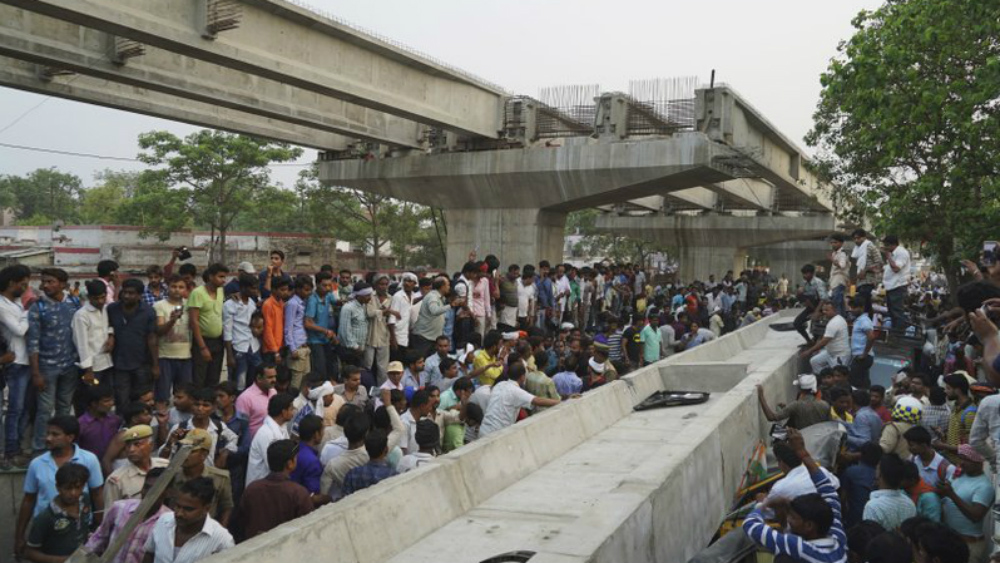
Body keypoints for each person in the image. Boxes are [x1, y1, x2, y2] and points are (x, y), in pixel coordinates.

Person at [743, 428, 846, 562]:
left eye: (793, 517)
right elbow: (827, 489)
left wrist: (763, 504)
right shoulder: (838, 535)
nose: (789, 521)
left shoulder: (799, 548)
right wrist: (803, 453)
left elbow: (750, 525)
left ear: (809, 525)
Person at [16, 415, 104, 560]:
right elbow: (28, 500)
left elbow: (97, 494)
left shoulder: (89, 459)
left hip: (79, 528)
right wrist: (19, 537)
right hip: (47, 532)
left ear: (70, 437)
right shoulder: (37, 464)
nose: (48, 438)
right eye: (48, 433)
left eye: (55, 434)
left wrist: (99, 528)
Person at [27, 268, 81, 456]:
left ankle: (62, 446)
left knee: (65, 409)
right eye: (44, 282)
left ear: (63, 284)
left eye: (51, 282)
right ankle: (40, 449)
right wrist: (36, 373)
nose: (46, 285)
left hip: (70, 366)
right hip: (46, 368)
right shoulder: (38, 307)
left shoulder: (74, 303)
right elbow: (32, 342)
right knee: (44, 410)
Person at [84, 467, 171, 563]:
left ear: (168, 493)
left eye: (155, 490)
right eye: (146, 487)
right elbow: (99, 537)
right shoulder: (120, 508)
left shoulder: (168, 521)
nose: (148, 493)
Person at [142, 477, 234, 563]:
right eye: (178, 506)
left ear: (206, 508)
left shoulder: (222, 540)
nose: (179, 513)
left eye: (188, 509)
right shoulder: (163, 521)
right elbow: (149, 554)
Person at [238, 439, 314, 540]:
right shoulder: (298, 493)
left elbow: (240, 523)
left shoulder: (252, 488)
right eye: (295, 458)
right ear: (290, 463)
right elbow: (308, 530)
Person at [107, 279, 159, 410]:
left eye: (131, 293)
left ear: (140, 295)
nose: (126, 296)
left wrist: (155, 365)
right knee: (121, 400)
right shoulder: (112, 309)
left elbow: (152, 338)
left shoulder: (148, 312)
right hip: (119, 363)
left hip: (141, 363)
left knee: (141, 401)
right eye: (124, 292)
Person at [24, 462, 92, 563]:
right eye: (68, 488)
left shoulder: (85, 500)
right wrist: (64, 560)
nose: (73, 493)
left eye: (77, 487)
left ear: (83, 486)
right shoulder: (45, 517)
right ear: (58, 488)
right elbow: (29, 552)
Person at [0, 265, 33, 467]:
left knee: (24, 409)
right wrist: (31, 312)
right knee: (15, 409)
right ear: (12, 283)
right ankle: (11, 451)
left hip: (26, 360)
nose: (26, 287)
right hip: (16, 363)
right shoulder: (2, 306)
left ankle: (18, 448)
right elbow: (20, 330)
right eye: (23, 283)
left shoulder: (17, 304)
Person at [938, 444, 994, 563]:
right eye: (960, 458)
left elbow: (975, 516)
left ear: (978, 462)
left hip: (969, 544)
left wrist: (951, 494)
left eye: (966, 459)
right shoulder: (959, 475)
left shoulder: (984, 486)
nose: (961, 463)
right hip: (952, 541)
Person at [168, 429, 233, 528]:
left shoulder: (220, 478)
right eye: (183, 449)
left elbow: (227, 507)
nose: (186, 455)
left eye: (192, 451)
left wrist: (220, 530)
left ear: (204, 455)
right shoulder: (172, 475)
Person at [479, 363, 562, 437]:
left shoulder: (499, 385)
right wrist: (560, 402)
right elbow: (537, 400)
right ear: (522, 377)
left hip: (483, 430)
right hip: (495, 434)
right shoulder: (516, 391)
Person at [162, 388, 237, 468]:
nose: (200, 409)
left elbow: (233, 438)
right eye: (197, 404)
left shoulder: (219, 427)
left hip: (208, 474)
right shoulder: (180, 428)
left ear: (214, 408)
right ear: (191, 405)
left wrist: (225, 453)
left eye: (205, 405)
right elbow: (164, 458)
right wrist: (169, 444)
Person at [72, 280, 114, 418]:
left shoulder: (107, 309)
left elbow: (109, 325)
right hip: (91, 368)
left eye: (103, 297)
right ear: (89, 297)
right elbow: (82, 344)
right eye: (96, 298)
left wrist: (111, 336)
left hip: (106, 363)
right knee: (88, 403)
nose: (100, 301)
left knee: (104, 401)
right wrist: (88, 370)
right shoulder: (81, 315)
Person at [105, 425, 168, 506]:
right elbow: (111, 514)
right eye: (128, 446)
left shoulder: (165, 466)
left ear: (151, 445)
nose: (131, 449)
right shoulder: (117, 480)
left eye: (137, 444)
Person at [188, 263, 227, 390]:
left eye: (224, 277)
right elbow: (194, 321)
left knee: (214, 378)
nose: (223, 280)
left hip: (218, 341)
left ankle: (210, 407)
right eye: (220, 277)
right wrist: (202, 347)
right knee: (199, 378)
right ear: (210, 277)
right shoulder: (197, 293)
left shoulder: (221, 291)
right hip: (202, 341)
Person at [153, 274, 192, 403]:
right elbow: (159, 331)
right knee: (163, 395)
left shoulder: (190, 305)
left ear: (185, 289)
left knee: (183, 395)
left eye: (181, 287)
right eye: (173, 286)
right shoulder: (159, 305)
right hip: (165, 357)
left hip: (186, 356)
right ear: (167, 288)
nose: (177, 290)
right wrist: (172, 320)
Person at [245, 393, 294, 487]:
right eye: (291, 409)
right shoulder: (266, 434)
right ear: (284, 412)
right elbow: (275, 466)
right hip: (259, 489)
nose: (293, 412)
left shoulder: (282, 427)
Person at [223, 273, 261, 392]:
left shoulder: (252, 303)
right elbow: (227, 331)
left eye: (256, 288)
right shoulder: (230, 305)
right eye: (252, 288)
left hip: (253, 347)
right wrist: (229, 355)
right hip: (238, 348)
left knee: (253, 380)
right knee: (239, 383)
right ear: (243, 287)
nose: (255, 291)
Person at [863, 453, 917, 530]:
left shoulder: (873, 506)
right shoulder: (909, 503)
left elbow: (869, 536)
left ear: (880, 474)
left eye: (877, 468)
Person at [755, 375, 830, 430]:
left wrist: (761, 396)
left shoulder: (796, 405)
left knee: (777, 432)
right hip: (819, 439)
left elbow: (771, 417)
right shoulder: (825, 405)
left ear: (800, 390)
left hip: (802, 439)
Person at [305, 271, 339, 383]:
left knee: (332, 368)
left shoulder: (328, 295)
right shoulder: (312, 300)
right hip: (315, 340)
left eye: (330, 285)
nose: (328, 288)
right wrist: (325, 331)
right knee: (320, 371)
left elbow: (337, 302)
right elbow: (308, 323)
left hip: (325, 339)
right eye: (324, 285)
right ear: (317, 284)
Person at [801, 301, 851, 375]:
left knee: (838, 374)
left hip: (840, 354)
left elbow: (825, 341)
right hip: (830, 352)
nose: (824, 312)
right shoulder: (834, 320)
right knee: (815, 361)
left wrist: (809, 351)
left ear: (834, 310)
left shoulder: (835, 322)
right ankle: (826, 379)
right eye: (823, 310)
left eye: (827, 310)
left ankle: (832, 381)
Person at [936, 373, 976, 464]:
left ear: (957, 390)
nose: (945, 391)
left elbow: (970, 448)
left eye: (948, 388)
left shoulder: (970, 413)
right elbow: (957, 437)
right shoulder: (955, 407)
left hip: (962, 464)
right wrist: (943, 435)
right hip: (951, 462)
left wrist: (943, 446)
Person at [342, 430, 397, 496]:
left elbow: (344, 500)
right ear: (386, 450)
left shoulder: (352, 474)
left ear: (366, 448)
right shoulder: (393, 475)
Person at [365, 274, 396, 385]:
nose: (383, 287)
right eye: (381, 284)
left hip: (384, 335)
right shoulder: (369, 296)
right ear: (375, 285)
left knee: (383, 368)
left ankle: (382, 390)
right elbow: (369, 313)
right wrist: (383, 312)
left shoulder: (391, 298)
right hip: (370, 335)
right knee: (367, 365)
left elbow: (393, 318)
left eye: (386, 284)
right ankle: (366, 388)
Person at [77, 385, 121, 463]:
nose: (111, 403)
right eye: (106, 401)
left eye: (112, 400)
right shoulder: (81, 425)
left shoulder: (115, 420)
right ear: (94, 403)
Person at [842, 442, 881, 528]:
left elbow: (843, 498)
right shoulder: (881, 476)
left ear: (861, 455)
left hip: (853, 520)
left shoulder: (850, 471)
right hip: (875, 522)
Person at [284, 275, 314, 389]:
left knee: (306, 383)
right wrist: (292, 348)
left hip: (303, 346)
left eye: (310, 289)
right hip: (296, 348)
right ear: (297, 289)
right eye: (306, 290)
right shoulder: (292, 303)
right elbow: (288, 327)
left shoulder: (302, 302)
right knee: (296, 383)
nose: (309, 292)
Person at [411, 277, 451, 359]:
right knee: (420, 362)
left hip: (432, 337)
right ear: (442, 286)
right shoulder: (432, 297)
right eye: (448, 285)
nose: (449, 287)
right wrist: (451, 305)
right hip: (424, 337)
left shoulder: (440, 297)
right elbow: (435, 311)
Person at [235, 363, 278, 438]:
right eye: (270, 377)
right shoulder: (245, 398)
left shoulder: (273, 392)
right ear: (259, 378)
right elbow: (241, 427)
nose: (274, 380)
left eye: (275, 376)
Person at [338, 282, 372, 369]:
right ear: (359, 295)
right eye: (367, 295)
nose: (370, 298)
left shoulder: (363, 306)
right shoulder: (348, 308)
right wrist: (355, 347)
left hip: (359, 349)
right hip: (350, 349)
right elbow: (344, 331)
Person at [793, 263, 828, 345]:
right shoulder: (804, 283)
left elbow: (823, 298)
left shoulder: (818, 282)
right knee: (797, 323)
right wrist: (798, 293)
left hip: (821, 306)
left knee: (817, 326)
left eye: (806, 273)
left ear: (812, 273)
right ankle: (809, 341)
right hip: (810, 306)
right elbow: (800, 298)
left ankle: (816, 340)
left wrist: (817, 312)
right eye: (803, 274)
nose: (804, 275)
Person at [881, 235, 911, 330]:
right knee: (892, 312)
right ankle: (895, 332)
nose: (884, 248)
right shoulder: (893, 254)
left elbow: (896, 268)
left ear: (890, 245)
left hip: (897, 286)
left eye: (885, 246)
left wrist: (888, 257)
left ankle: (898, 335)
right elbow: (889, 268)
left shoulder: (901, 253)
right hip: (891, 286)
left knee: (897, 312)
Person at [851, 229, 883, 314]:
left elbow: (879, 263)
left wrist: (865, 270)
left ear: (864, 237)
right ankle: (869, 322)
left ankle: (867, 322)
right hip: (861, 281)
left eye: (858, 238)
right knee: (866, 304)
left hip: (869, 280)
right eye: (854, 239)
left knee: (863, 304)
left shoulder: (871, 247)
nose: (856, 241)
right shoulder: (858, 249)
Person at [388, 272, 417, 361]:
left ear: (414, 284)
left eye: (410, 281)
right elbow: (391, 319)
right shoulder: (398, 296)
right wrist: (393, 339)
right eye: (405, 281)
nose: (407, 283)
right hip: (397, 335)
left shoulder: (412, 295)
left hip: (406, 335)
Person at [848, 297, 876, 389]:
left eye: (854, 308)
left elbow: (871, 337)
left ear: (862, 307)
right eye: (851, 307)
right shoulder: (859, 320)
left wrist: (864, 354)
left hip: (862, 357)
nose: (852, 310)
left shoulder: (864, 320)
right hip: (861, 357)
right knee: (863, 383)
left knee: (854, 383)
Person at [261, 276, 290, 361]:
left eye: (287, 289)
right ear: (273, 290)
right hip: (271, 350)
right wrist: (275, 351)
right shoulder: (268, 305)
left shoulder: (281, 303)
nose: (286, 292)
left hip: (280, 346)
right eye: (282, 290)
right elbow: (267, 329)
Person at [829, 234, 851, 317]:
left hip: (839, 280)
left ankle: (839, 321)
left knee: (837, 303)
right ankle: (843, 320)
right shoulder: (835, 253)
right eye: (831, 243)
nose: (833, 244)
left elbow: (842, 265)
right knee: (840, 303)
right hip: (835, 281)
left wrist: (832, 259)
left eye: (835, 242)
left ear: (841, 243)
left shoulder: (842, 253)